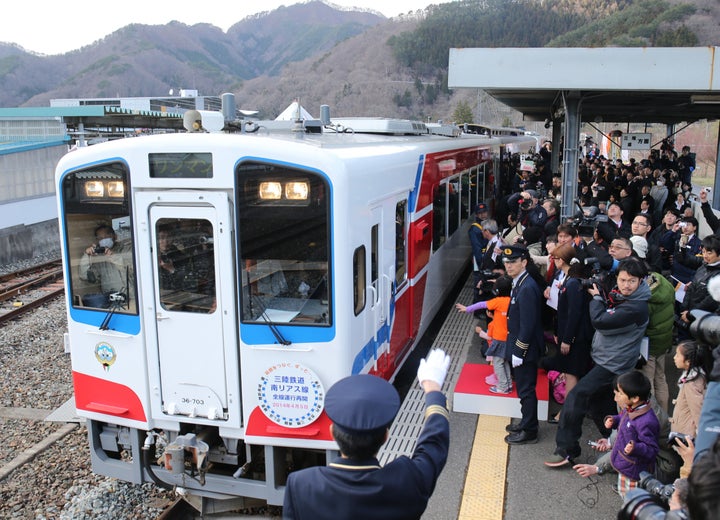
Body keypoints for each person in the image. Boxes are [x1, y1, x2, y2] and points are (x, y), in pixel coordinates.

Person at [282, 349, 451, 520]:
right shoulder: (408, 481)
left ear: (332, 433)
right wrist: (433, 390)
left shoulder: (301, 484)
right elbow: (434, 445)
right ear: (386, 436)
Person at [545, 258, 651, 467]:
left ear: (641, 281)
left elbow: (600, 321)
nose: (626, 285)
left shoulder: (636, 307)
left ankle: (566, 449)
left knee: (576, 396)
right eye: (622, 280)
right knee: (600, 406)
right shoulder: (623, 298)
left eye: (631, 281)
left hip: (612, 365)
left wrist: (596, 298)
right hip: (608, 361)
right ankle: (621, 447)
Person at [540, 243, 593, 422]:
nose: (552, 261)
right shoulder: (572, 279)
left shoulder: (572, 284)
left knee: (572, 374)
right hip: (573, 336)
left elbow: (574, 314)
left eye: (554, 258)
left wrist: (567, 340)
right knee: (571, 372)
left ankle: (566, 414)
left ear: (561, 260)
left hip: (576, 339)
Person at [502, 245, 545, 445]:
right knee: (524, 388)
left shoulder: (527, 287)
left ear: (524, 262)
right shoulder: (521, 282)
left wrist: (519, 350)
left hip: (525, 348)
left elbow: (528, 324)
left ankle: (530, 430)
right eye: (506, 262)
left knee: (526, 389)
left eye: (513, 262)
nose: (508, 266)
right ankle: (526, 422)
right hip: (521, 345)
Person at [604, 371, 660, 498]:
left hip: (635, 471)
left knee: (632, 500)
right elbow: (623, 418)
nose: (616, 397)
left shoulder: (647, 421)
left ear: (635, 398)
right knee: (624, 494)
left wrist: (635, 447)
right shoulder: (631, 408)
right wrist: (614, 420)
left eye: (620, 393)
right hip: (626, 465)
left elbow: (652, 449)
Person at [456, 276, 512, 394]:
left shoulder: (497, 302)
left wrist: (468, 309)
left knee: (497, 362)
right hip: (509, 337)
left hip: (499, 338)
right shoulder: (511, 300)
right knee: (504, 361)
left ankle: (502, 387)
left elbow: (482, 304)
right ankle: (508, 384)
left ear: (497, 291)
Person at [641, 271, 676, 414]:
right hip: (664, 341)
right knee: (660, 378)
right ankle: (664, 415)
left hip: (648, 345)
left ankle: (652, 418)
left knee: (647, 383)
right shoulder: (664, 283)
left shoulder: (645, 299)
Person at [78, 223, 133, 307]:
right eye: (100, 238)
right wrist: (87, 256)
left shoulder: (127, 249)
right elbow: (85, 276)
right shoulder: (100, 258)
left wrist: (113, 256)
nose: (103, 240)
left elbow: (133, 267)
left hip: (133, 300)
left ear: (115, 236)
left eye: (106, 237)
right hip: (112, 303)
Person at [670, 341, 711, 440]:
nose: (674, 357)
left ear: (688, 362)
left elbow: (697, 411)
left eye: (678, 355)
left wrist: (703, 436)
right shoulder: (694, 376)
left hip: (687, 434)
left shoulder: (691, 383)